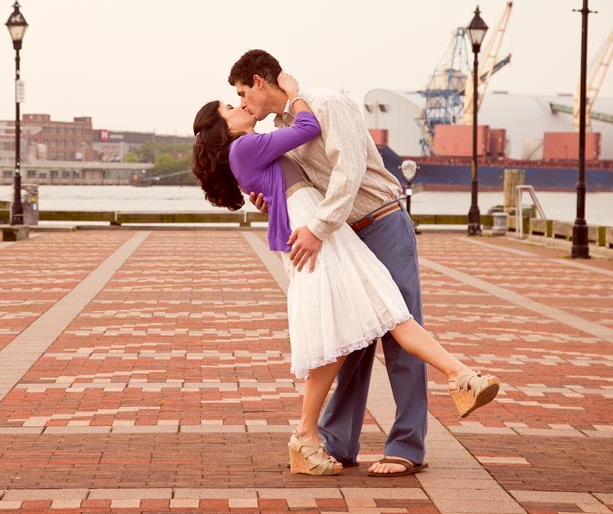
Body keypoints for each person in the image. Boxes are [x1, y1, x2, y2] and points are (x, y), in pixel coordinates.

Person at [191, 91, 500, 477]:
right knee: (353, 328)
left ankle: (461, 377)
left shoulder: (250, 149)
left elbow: (290, 182)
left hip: (321, 233)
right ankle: (307, 435)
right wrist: (296, 92)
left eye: (239, 98)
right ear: (222, 129)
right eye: (230, 107)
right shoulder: (245, 148)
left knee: (382, 311)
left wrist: (272, 198)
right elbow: (308, 127)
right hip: (314, 239)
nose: (239, 106)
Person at [230, 49, 433, 476]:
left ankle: (407, 446)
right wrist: (269, 199)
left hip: (380, 222)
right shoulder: (285, 127)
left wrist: (319, 228)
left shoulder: (326, 103)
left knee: (398, 331)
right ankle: (338, 441)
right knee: (349, 339)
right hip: (344, 235)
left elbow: (349, 172)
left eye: (243, 92)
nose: (244, 103)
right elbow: (297, 187)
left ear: (260, 81)